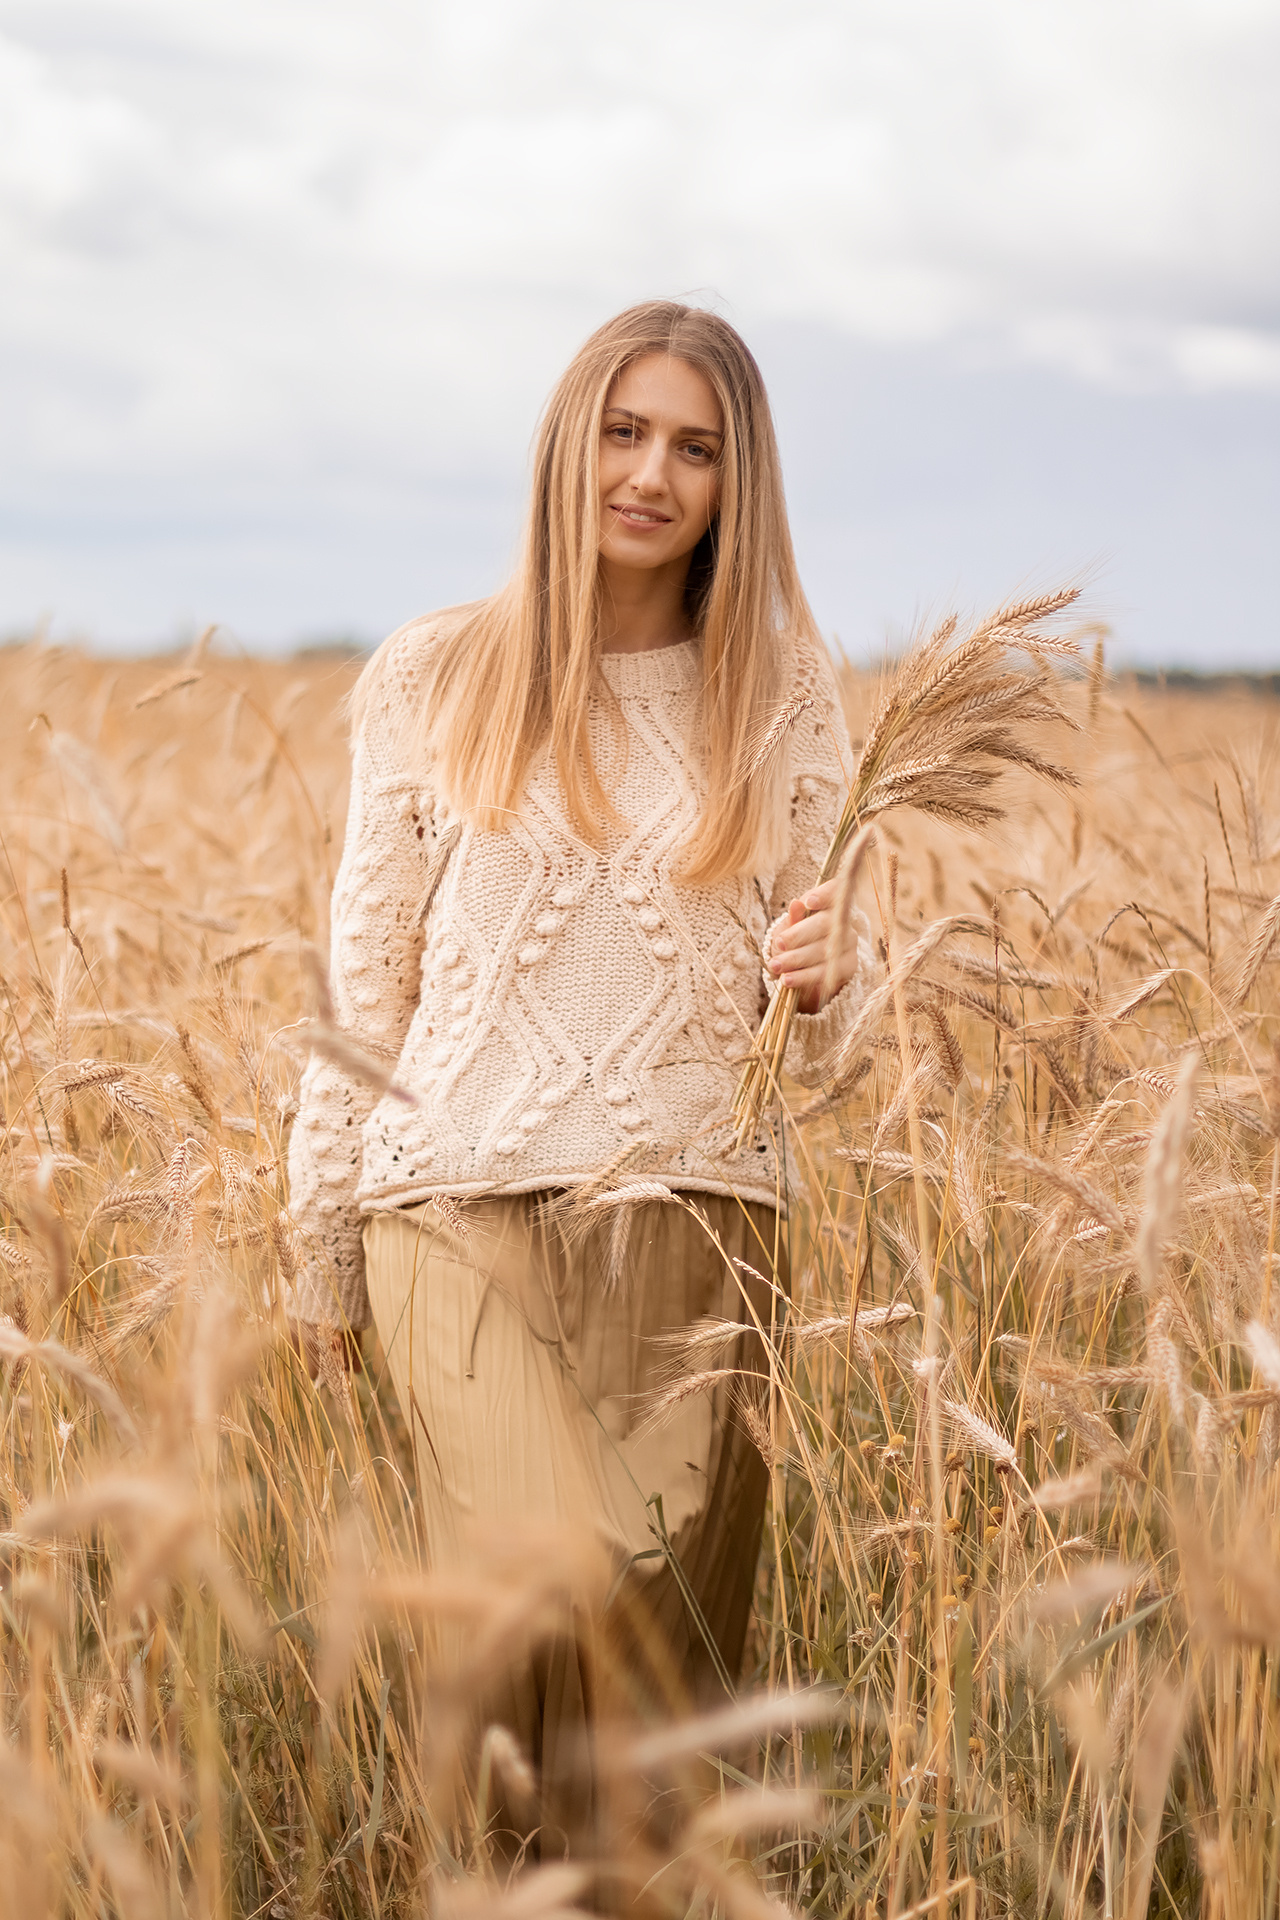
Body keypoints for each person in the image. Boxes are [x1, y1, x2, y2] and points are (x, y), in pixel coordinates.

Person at [286, 300, 876, 1862]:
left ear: (738, 482)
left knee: (658, 1663)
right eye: (624, 431)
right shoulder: (436, 673)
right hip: (453, 1205)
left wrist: (832, 980)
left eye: (696, 446)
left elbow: (809, 1025)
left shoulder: (784, 689)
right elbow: (367, 979)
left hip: (700, 1217)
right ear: (569, 442)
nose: (652, 475)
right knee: (550, 1576)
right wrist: (321, 1241)